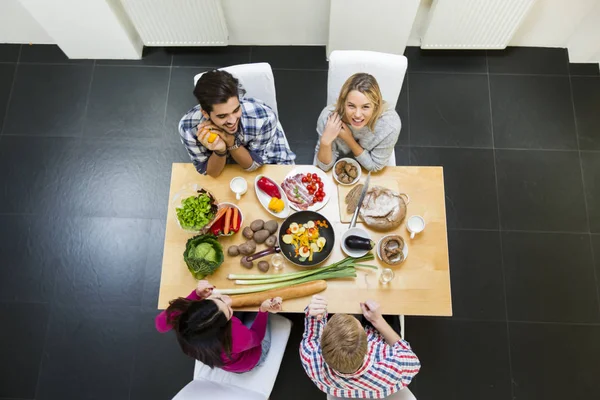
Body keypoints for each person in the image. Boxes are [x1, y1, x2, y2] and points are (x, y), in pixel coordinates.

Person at [179, 70, 296, 177]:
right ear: (205, 113)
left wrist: (230, 141)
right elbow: (213, 173)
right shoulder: (188, 129)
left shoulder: (264, 118)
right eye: (222, 116)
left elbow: (252, 166)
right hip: (225, 164)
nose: (232, 121)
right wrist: (219, 151)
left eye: (236, 110)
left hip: (265, 158)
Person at [300, 295, 420, 398]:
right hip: (379, 335)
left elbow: (311, 338)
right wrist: (378, 321)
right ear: (367, 344)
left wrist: (314, 314)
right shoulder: (391, 366)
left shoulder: (311, 358)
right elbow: (412, 359)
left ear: (321, 347)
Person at [155, 280, 282, 373]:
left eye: (216, 301)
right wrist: (263, 310)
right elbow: (257, 337)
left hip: (227, 357)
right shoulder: (235, 338)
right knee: (255, 315)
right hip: (252, 356)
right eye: (228, 309)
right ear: (225, 327)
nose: (227, 300)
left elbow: (160, 325)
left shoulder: (183, 316)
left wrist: (197, 294)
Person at [314, 73, 401, 172]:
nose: (357, 115)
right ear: (343, 102)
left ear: (376, 106)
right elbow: (324, 166)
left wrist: (349, 139)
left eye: (365, 107)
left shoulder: (390, 125)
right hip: (337, 168)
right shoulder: (328, 118)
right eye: (351, 106)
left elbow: (374, 166)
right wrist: (325, 142)